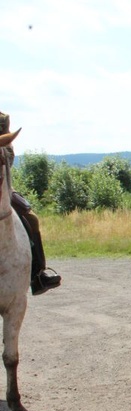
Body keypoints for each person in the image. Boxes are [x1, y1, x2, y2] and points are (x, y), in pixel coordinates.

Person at [0, 110, 61, 296]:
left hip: (3, 184)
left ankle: (38, 274)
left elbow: (9, 157)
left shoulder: (2, 118)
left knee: (31, 218)